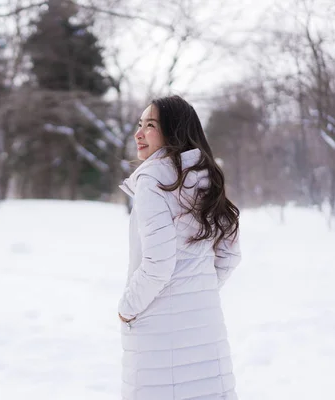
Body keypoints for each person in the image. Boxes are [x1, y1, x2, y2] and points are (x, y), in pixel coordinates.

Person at [117, 95, 242, 400]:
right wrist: (199, 291)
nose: (139, 133)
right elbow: (229, 254)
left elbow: (158, 264)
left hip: (159, 328)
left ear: (172, 131)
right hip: (205, 323)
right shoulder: (207, 178)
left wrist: (127, 308)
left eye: (150, 125)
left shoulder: (152, 180)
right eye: (139, 125)